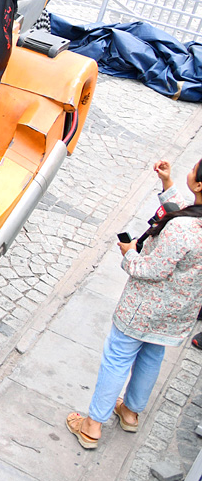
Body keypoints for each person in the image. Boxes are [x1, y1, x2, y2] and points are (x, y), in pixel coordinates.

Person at [66, 158, 202, 449]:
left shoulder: (182, 230)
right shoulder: (192, 222)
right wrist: (167, 184)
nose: (189, 171)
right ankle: (130, 412)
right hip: (177, 312)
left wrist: (129, 253)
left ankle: (92, 426)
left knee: (118, 356)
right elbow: (186, 212)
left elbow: (150, 270)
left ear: (199, 185)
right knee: (152, 357)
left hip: (144, 309)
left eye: (193, 170)